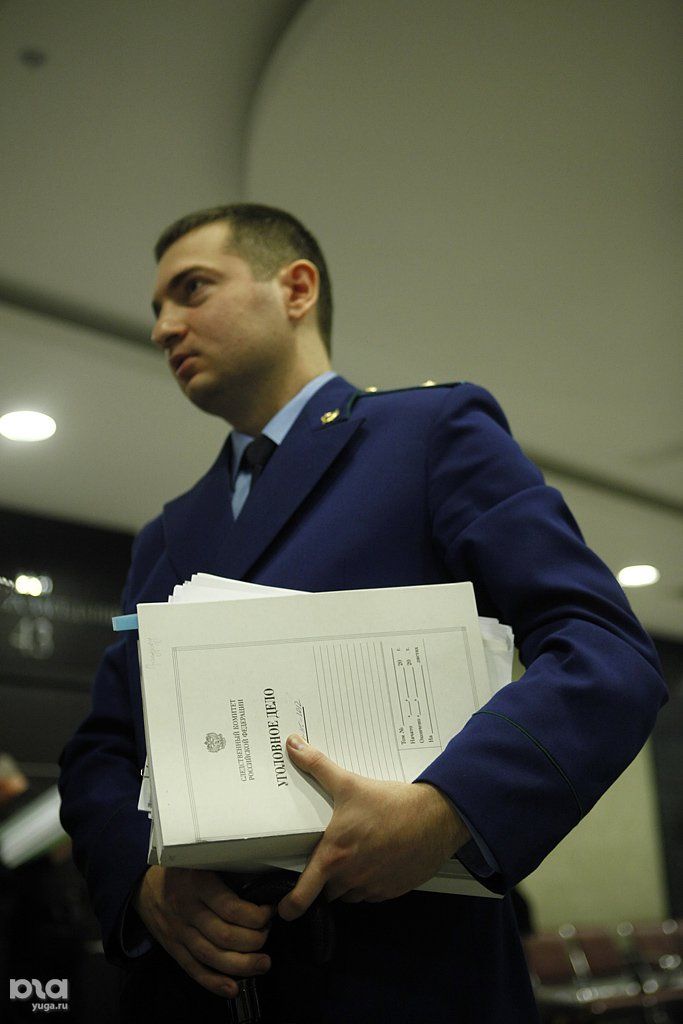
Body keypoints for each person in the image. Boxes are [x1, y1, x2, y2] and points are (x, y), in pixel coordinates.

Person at [58, 203, 667, 1023]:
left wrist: (449, 805)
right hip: (193, 993)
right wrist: (143, 882)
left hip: (403, 979)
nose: (164, 326)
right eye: (157, 307)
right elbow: (101, 749)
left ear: (295, 289)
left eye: (191, 289)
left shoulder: (426, 435)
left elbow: (603, 648)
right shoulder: (164, 536)